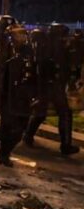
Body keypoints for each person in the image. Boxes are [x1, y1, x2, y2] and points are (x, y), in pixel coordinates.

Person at [0, 25, 40, 166]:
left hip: (24, 97)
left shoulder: (29, 52)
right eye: (18, 35)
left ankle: (2, 148)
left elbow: (34, 74)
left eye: (23, 35)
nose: (21, 38)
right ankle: (1, 150)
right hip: (7, 96)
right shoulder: (4, 52)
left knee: (19, 130)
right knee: (10, 127)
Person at [23, 24, 80, 155]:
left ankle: (28, 135)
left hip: (49, 85)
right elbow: (51, 67)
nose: (66, 39)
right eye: (64, 36)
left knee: (41, 113)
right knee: (64, 113)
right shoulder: (52, 48)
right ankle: (65, 145)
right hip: (51, 85)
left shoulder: (49, 46)